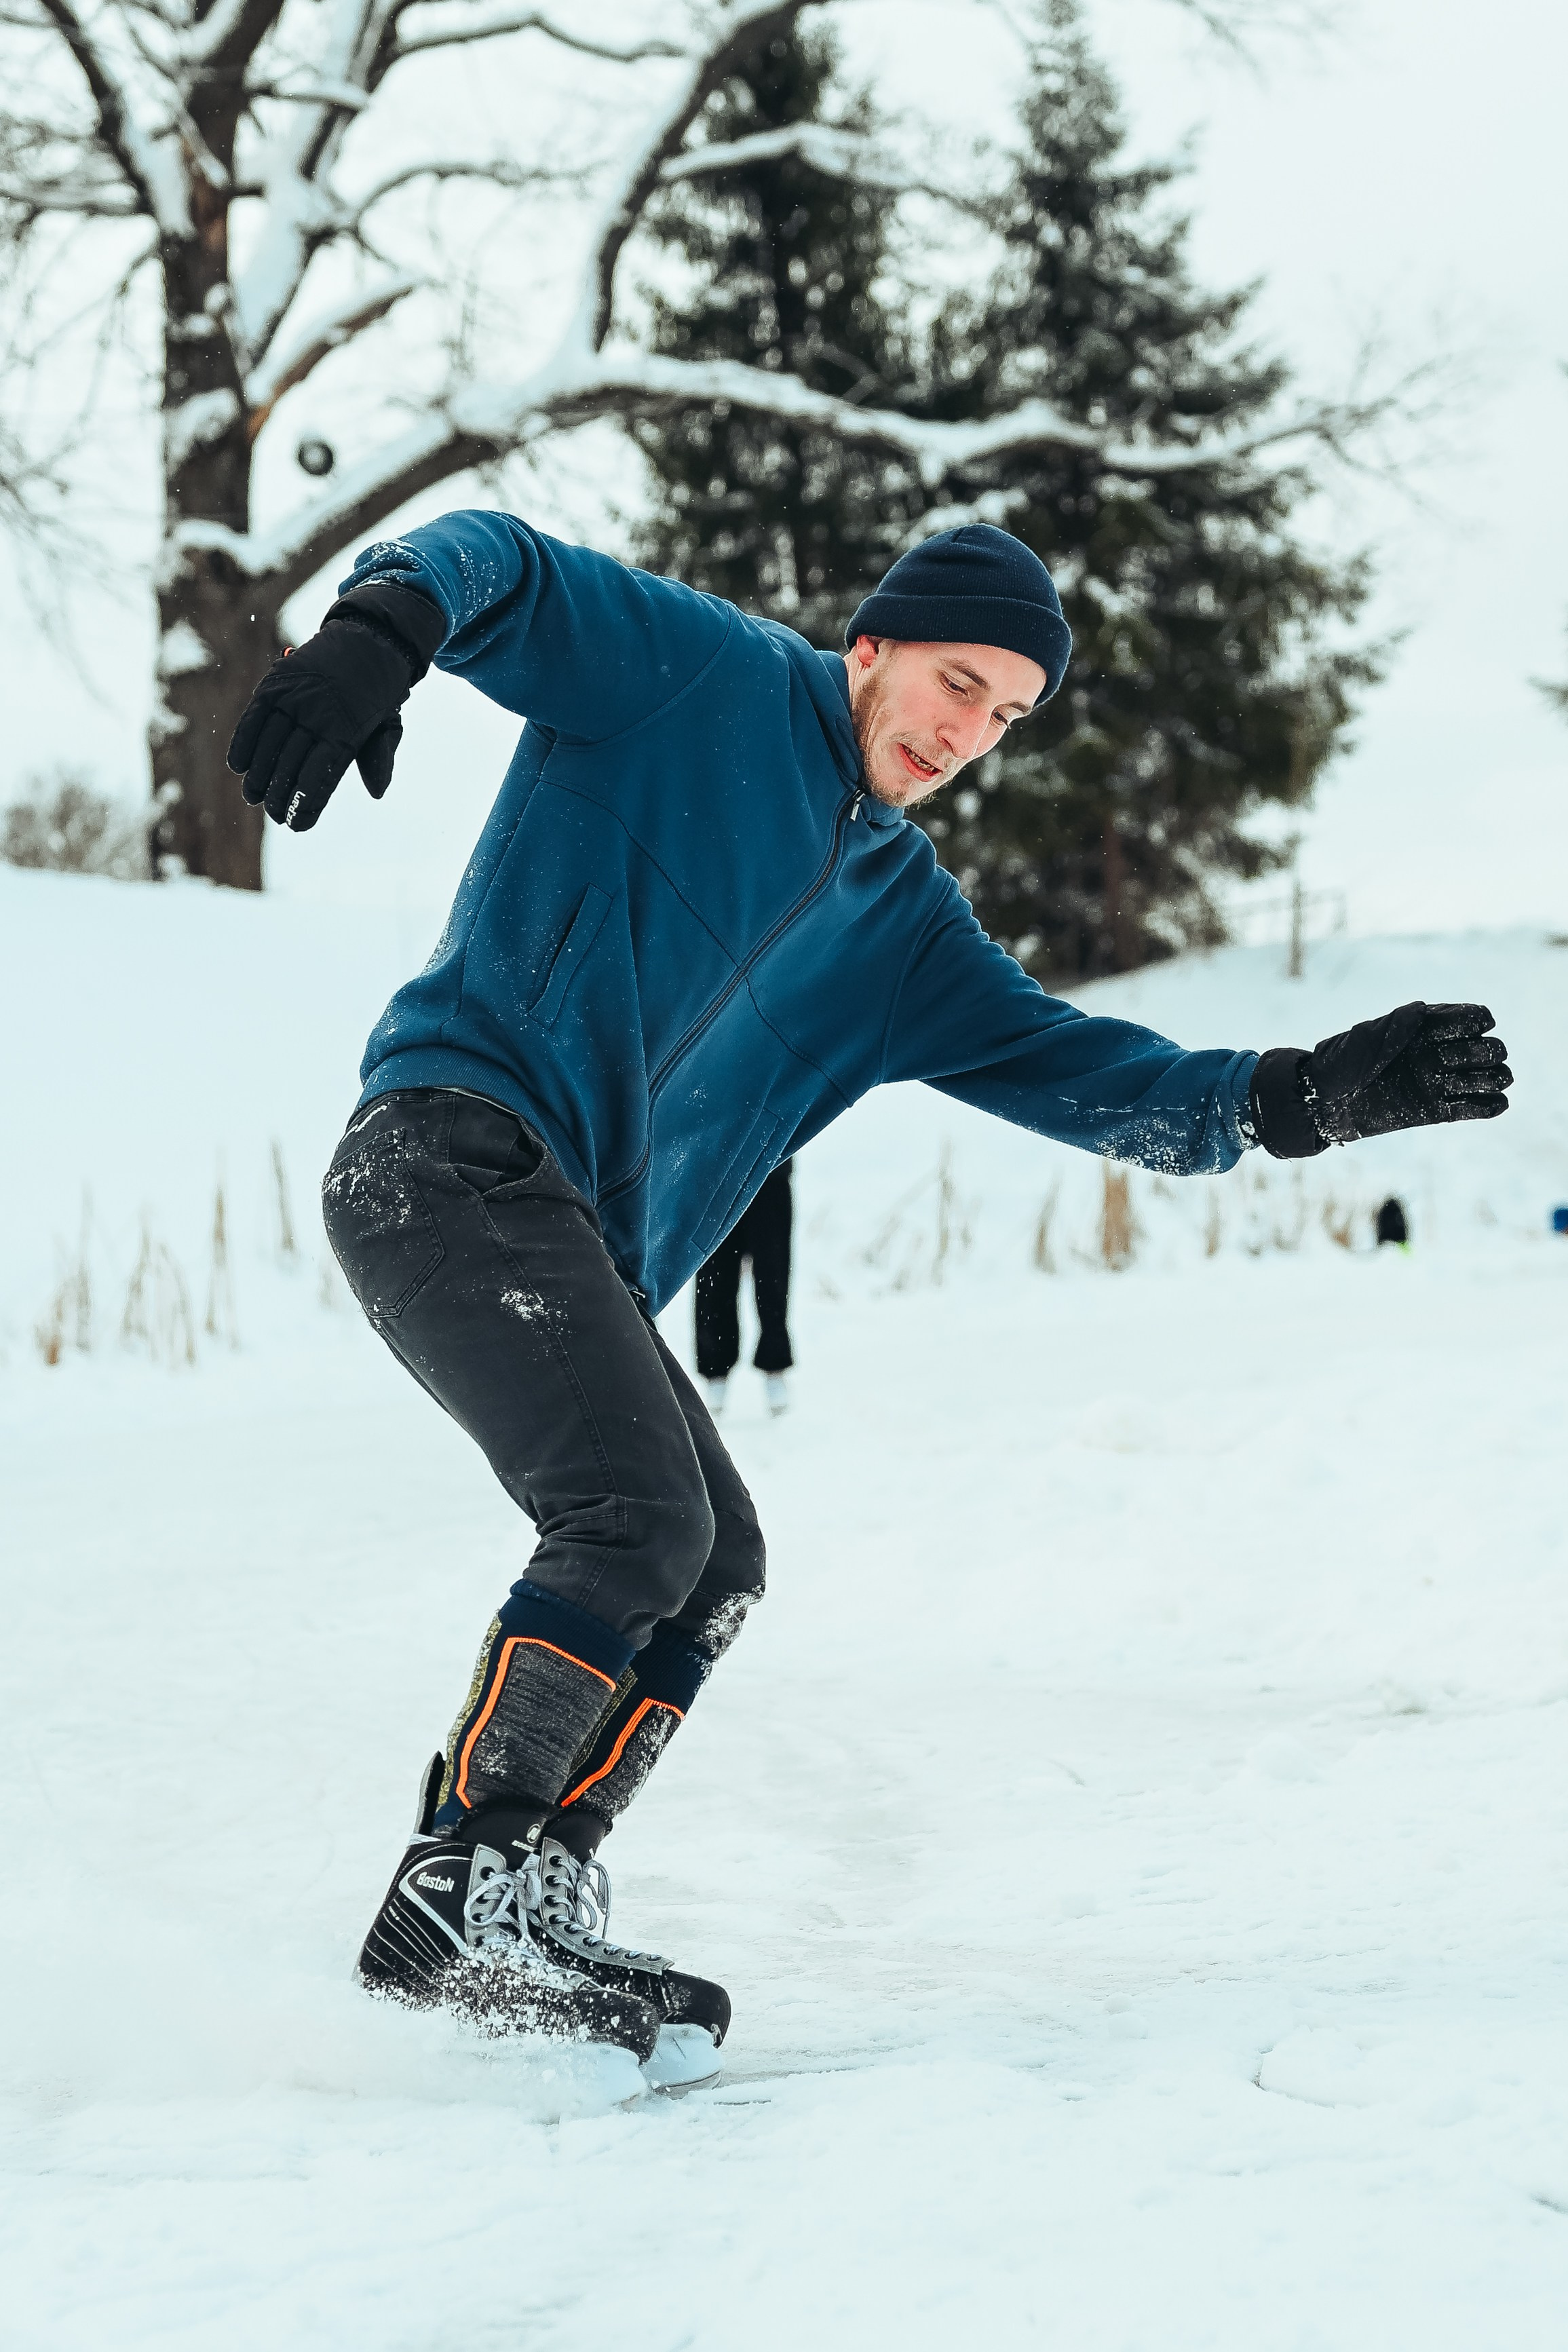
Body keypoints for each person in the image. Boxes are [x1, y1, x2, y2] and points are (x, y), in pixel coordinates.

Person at [227, 515, 1513, 2081]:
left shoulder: (897, 925)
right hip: (447, 1151)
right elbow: (499, 556)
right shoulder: (700, 676)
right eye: (956, 683)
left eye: (1006, 716)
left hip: (567, 1233)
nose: (966, 734)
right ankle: (465, 1885)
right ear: (873, 644)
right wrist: (382, 630)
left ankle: (536, 1875)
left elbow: (1086, 1068)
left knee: (713, 1561)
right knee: (636, 1517)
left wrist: (1302, 1093)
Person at [694, 1159, 795, 1416]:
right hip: (716, 1176)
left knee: (773, 1278)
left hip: (771, 1170)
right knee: (714, 1280)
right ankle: (715, 1372)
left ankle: (775, 1366)